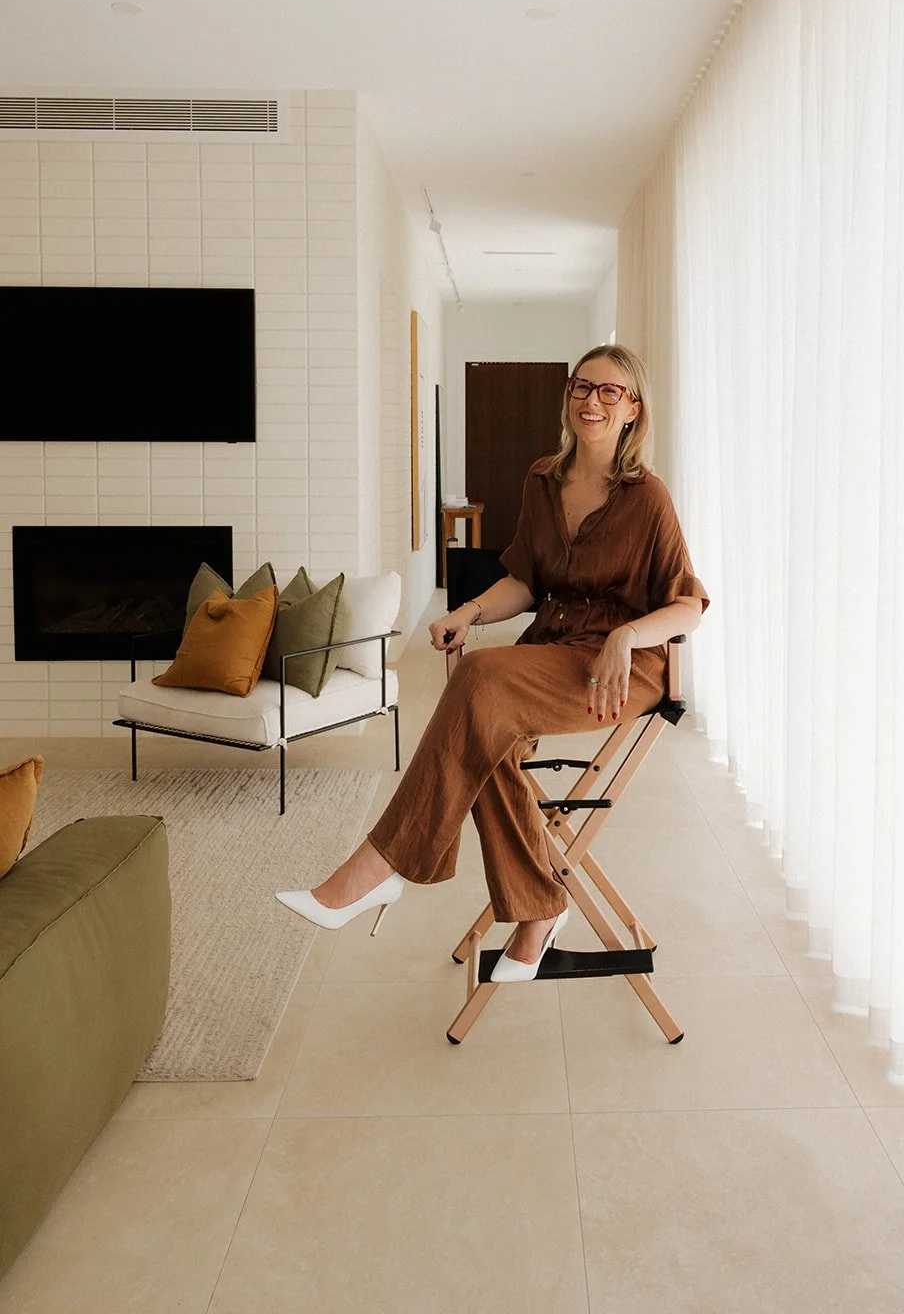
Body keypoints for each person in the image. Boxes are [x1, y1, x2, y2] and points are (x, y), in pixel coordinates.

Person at [277, 344, 707, 980]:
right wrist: (470, 612)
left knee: (480, 678)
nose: (591, 400)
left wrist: (627, 637)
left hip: (619, 668)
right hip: (554, 649)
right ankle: (538, 908)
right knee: (486, 736)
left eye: (609, 392)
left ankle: (378, 867)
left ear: (632, 410)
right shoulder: (542, 479)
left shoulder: (648, 498)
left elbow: (690, 605)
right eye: (582, 386)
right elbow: (526, 582)